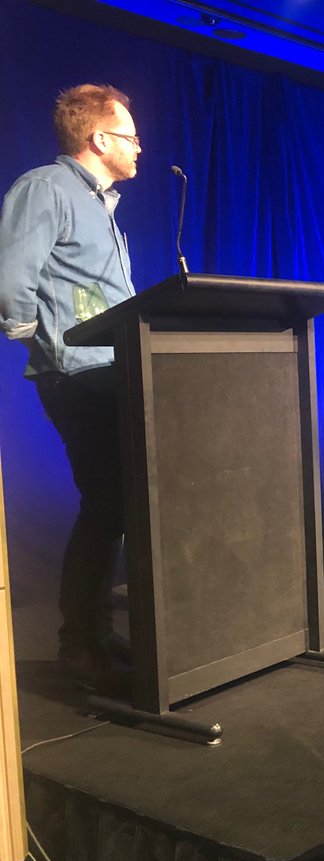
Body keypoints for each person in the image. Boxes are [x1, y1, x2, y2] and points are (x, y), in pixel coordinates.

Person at [0, 84, 142, 691]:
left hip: (119, 374)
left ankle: (99, 636)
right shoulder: (45, 189)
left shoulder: (103, 206)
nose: (140, 146)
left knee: (117, 507)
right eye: (132, 136)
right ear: (99, 138)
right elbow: (11, 286)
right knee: (106, 505)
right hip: (78, 379)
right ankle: (78, 646)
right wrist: (47, 345)